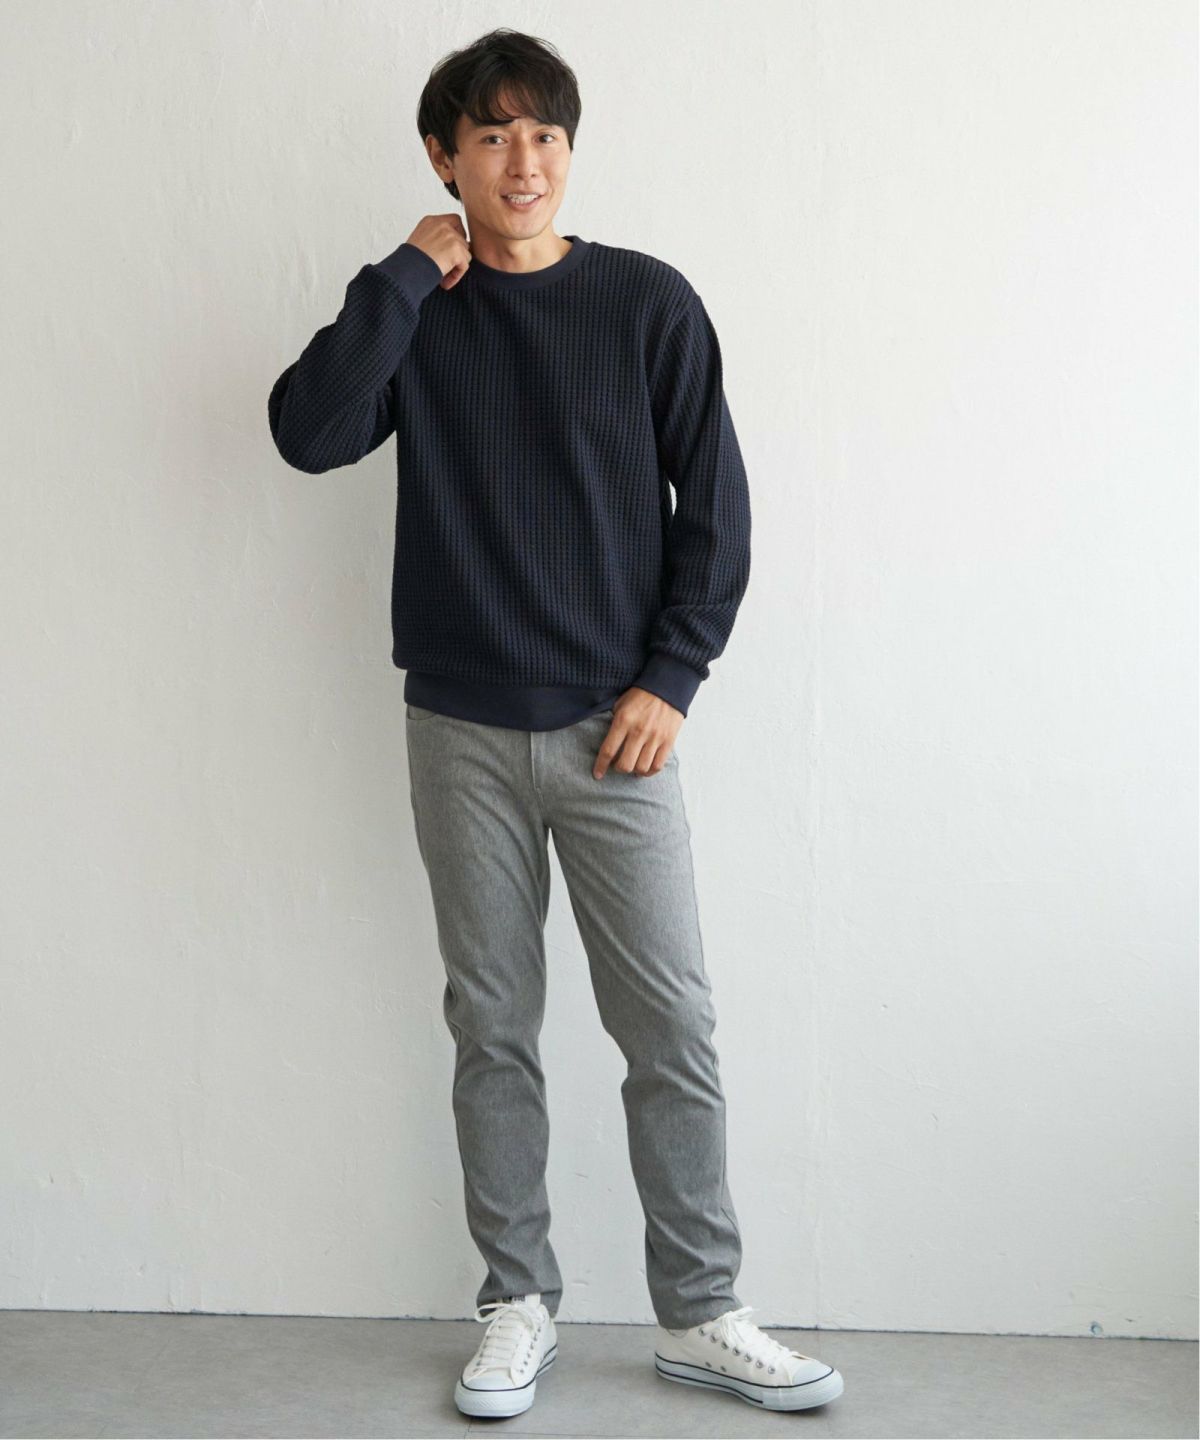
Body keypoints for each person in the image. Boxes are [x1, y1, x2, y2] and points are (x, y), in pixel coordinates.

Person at [268, 24, 843, 1421]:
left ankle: (700, 1310)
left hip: (616, 729)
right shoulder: (416, 311)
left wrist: (673, 677)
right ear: (444, 158)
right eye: (493, 135)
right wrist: (401, 279)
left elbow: (717, 509)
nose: (523, 160)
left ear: (568, 152)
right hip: (458, 729)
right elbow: (307, 431)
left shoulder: (647, 302)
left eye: (545, 134)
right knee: (493, 1026)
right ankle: (515, 1301)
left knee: (672, 1026)